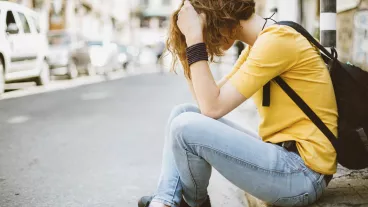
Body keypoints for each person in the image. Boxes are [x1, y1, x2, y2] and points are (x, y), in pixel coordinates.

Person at [138, 0, 337, 207]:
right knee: (183, 113)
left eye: (203, 28)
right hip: (285, 161)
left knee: (184, 125)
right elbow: (206, 103)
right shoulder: (257, 46)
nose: (206, 39)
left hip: (302, 175)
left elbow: (212, 108)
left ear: (219, 19)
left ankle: (186, 202)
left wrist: (194, 39)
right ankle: (166, 200)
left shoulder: (278, 41)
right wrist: (186, 48)